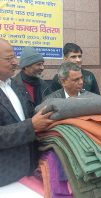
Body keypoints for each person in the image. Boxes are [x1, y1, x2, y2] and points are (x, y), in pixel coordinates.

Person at [0, 39, 54, 186]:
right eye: (9, 59)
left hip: (29, 170)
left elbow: (28, 116)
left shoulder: (15, 85)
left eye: (14, 57)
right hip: (6, 178)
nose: (16, 62)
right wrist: (31, 125)